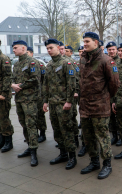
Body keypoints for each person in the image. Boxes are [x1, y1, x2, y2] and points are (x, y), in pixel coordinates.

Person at [79, 32, 120, 179]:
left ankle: (107, 164)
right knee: (88, 137)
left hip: (100, 106)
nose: (84, 44)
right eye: (84, 41)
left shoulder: (106, 60)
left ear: (96, 43)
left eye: (87, 41)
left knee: (103, 137)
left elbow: (114, 84)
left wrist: (105, 98)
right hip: (85, 106)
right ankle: (94, 161)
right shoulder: (83, 59)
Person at [42, 38, 77, 170]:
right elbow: (45, 85)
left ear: (58, 47)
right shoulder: (49, 65)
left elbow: (71, 84)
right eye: (47, 49)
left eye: (51, 48)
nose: (49, 50)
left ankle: (72, 156)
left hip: (64, 104)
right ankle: (63, 154)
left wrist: (69, 101)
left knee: (67, 129)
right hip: (53, 104)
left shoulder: (66, 63)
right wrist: (45, 101)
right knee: (57, 130)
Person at [11, 40, 40, 166]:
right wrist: (12, 85)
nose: (13, 50)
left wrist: (20, 86)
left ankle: (34, 151)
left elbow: (35, 79)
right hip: (19, 99)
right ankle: (29, 146)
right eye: (13, 48)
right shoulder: (17, 65)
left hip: (30, 99)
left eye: (15, 48)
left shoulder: (32, 62)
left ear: (23, 48)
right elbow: (12, 78)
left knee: (31, 125)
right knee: (23, 124)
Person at [27, 47, 47, 143]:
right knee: (30, 116)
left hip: (38, 94)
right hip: (27, 96)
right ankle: (33, 135)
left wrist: (43, 92)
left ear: (32, 53)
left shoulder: (39, 64)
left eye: (27, 52)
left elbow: (44, 79)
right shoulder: (23, 64)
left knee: (40, 115)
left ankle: (42, 134)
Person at [64, 45, 80, 148]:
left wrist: (76, 91)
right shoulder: (60, 62)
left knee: (72, 116)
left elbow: (77, 78)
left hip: (71, 94)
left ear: (70, 53)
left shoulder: (73, 63)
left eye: (66, 51)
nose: (64, 52)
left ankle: (75, 138)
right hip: (62, 96)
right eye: (63, 50)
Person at [106, 41, 121, 146]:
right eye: (109, 49)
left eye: (113, 49)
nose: (111, 51)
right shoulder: (105, 61)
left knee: (119, 117)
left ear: (116, 50)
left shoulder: (120, 62)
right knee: (111, 118)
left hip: (119, 95)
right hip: (108, 94)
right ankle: (114, 136)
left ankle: (121, 137)